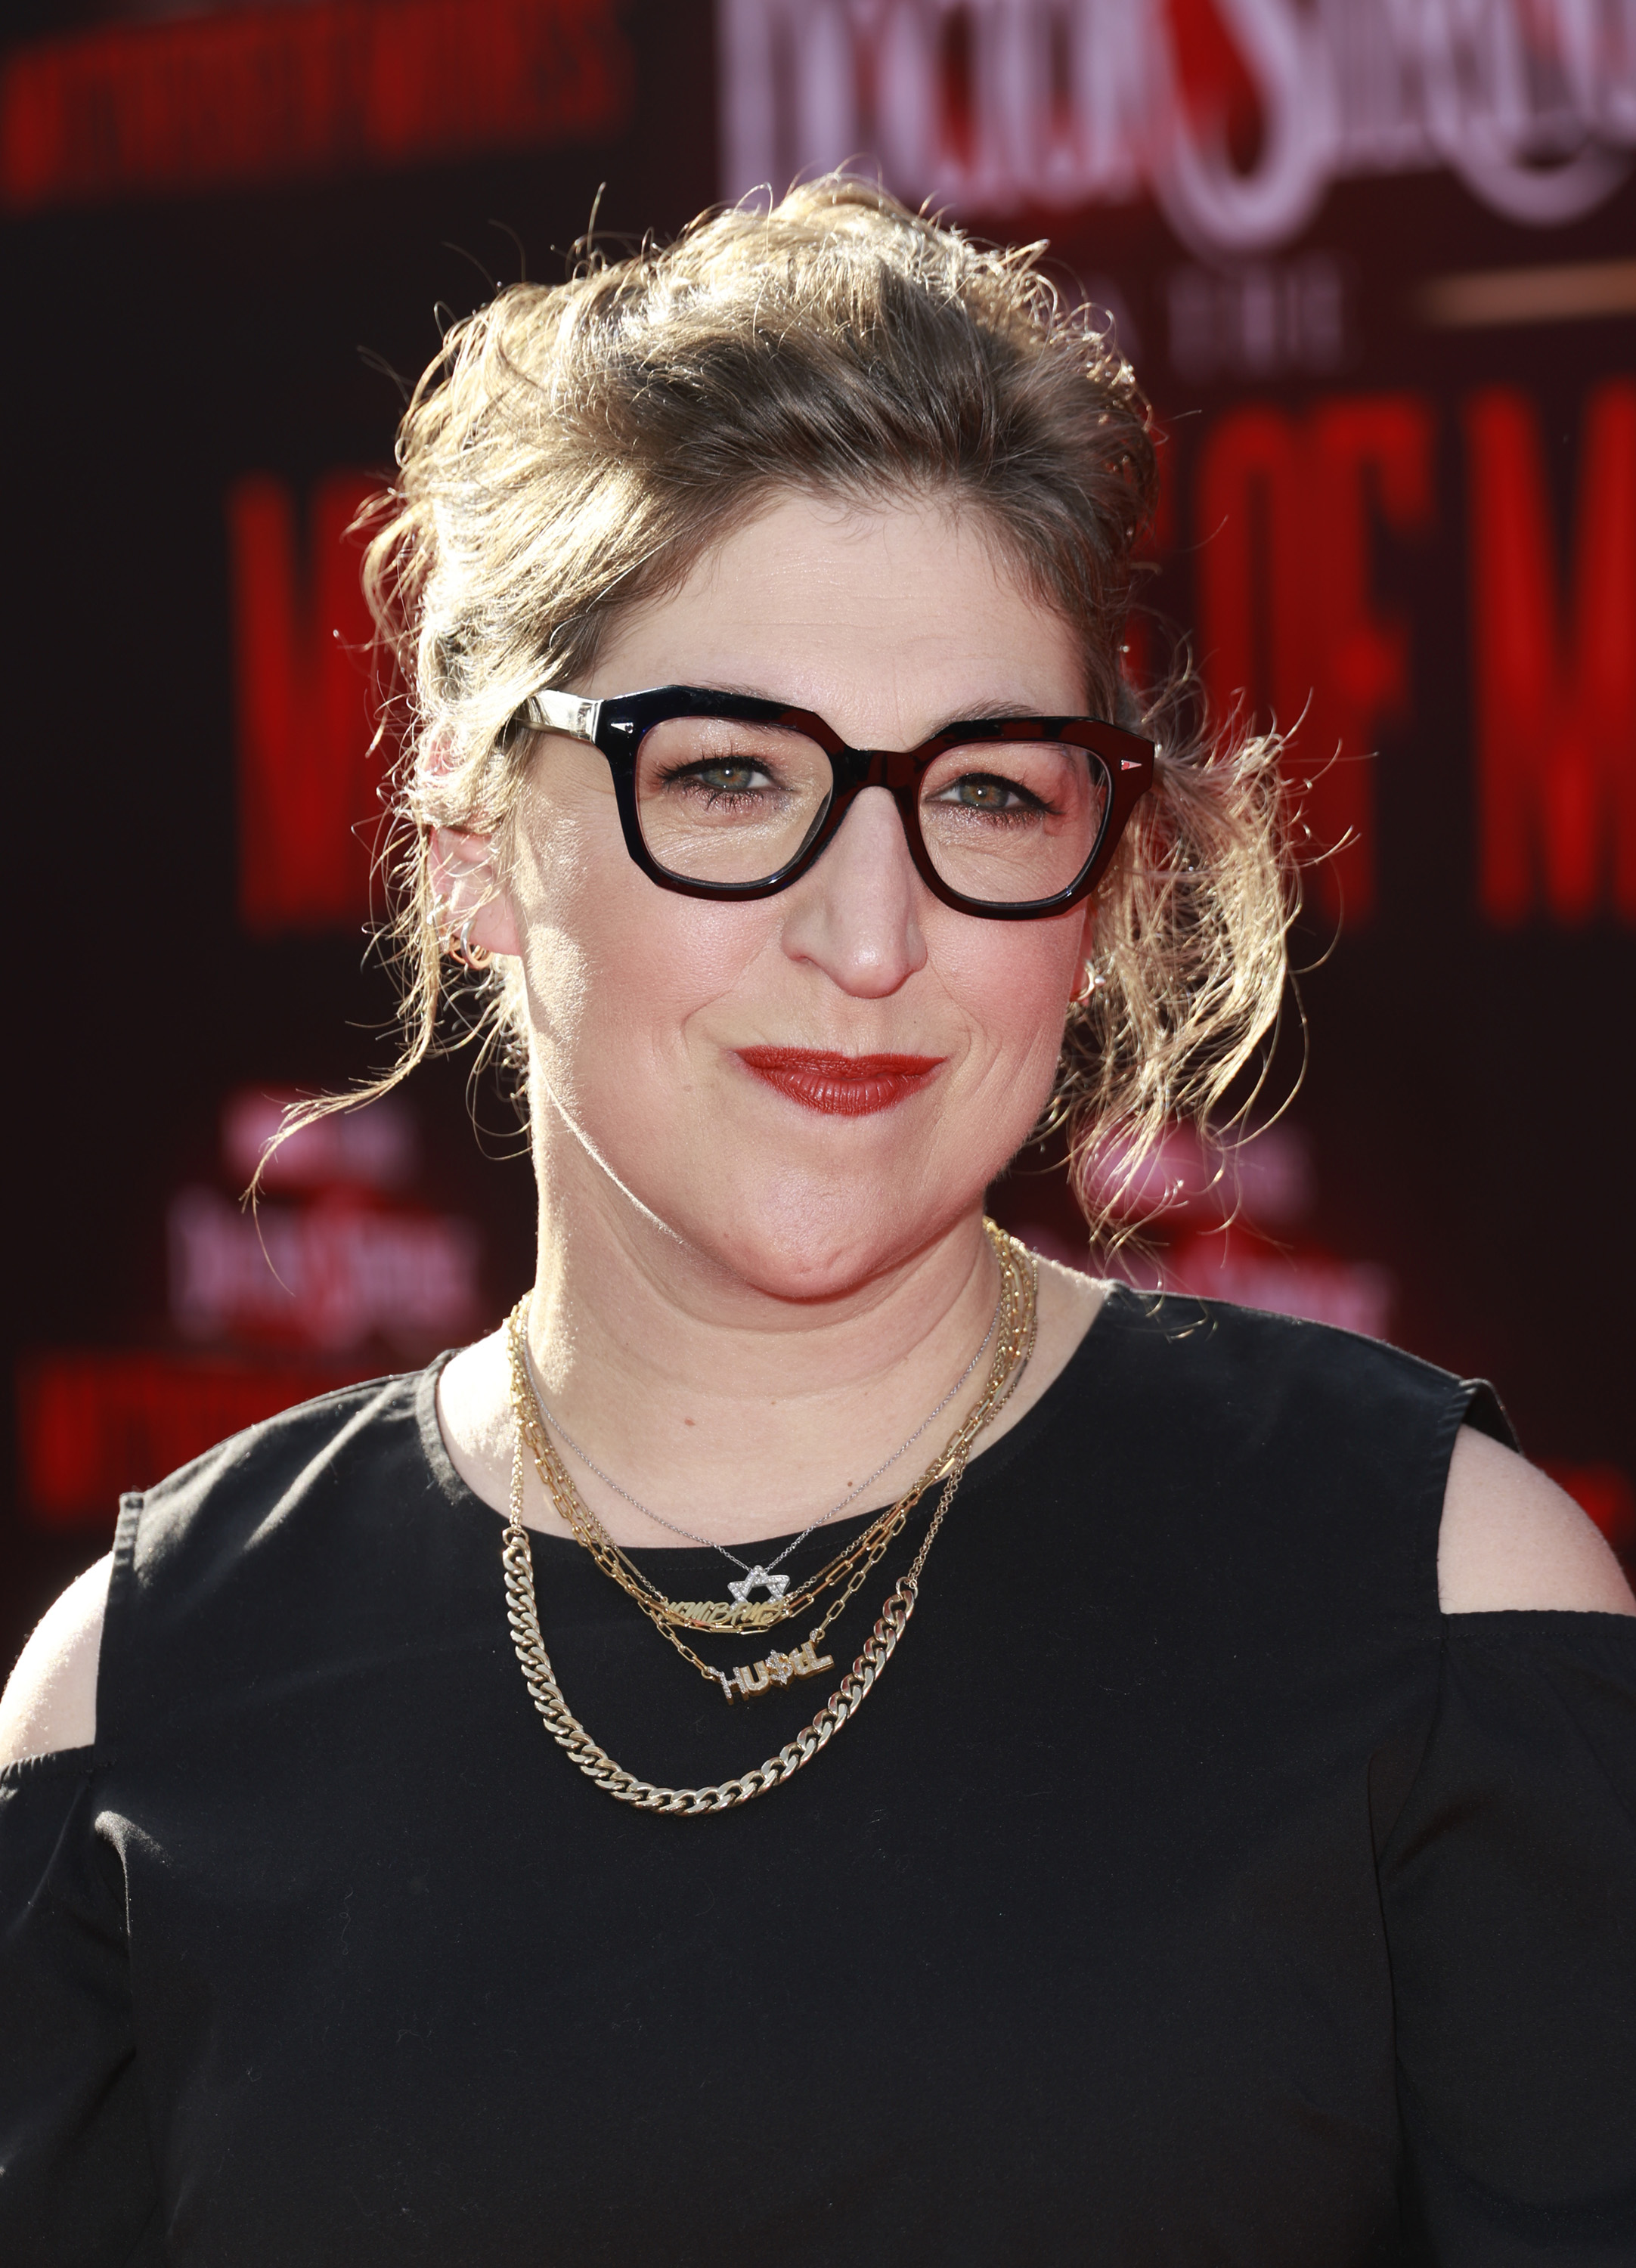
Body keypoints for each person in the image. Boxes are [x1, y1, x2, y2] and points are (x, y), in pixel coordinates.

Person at [2, 178, 1632, 2264]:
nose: (870, 937)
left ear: (1102, 874)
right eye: (730, 777)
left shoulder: (1435, 1602)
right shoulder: (149, 1690)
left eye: (986, 793)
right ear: (476, 859)